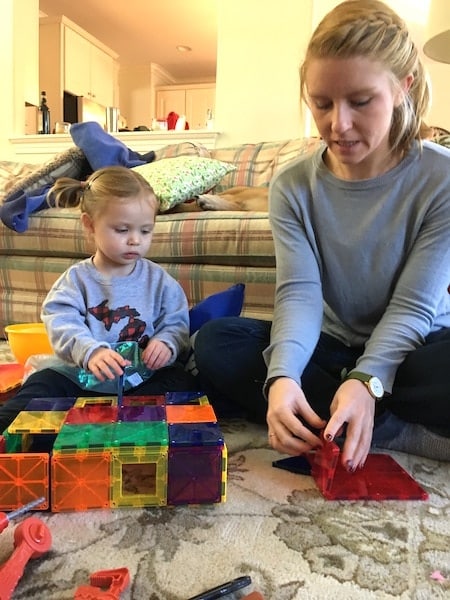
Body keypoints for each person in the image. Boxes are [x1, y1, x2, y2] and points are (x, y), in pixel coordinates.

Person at [194, 0, 450, 469]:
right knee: (215, 343)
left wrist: (370, 379)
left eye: (360, 101)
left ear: (402, 87)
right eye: (322, 102)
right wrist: (283, 377)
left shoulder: (442, 178)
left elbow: (416, 306)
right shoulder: (292, 186)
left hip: (418, 349)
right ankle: (388, 427)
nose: (339, 124)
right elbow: (300, 294)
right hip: (330, 347)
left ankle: (361, 413)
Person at [0, 166, 196, 432]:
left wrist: (166, 342)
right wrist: (90, 351)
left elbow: (176, 322)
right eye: (122, 229)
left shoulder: (159, 280)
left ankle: (124, 422)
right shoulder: (77, 280)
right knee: (40, 386)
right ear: (89, 225)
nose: (135, 240)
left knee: (183, 385)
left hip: (139, 378)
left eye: (146, 231)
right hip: (80, 377)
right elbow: (60, 321)